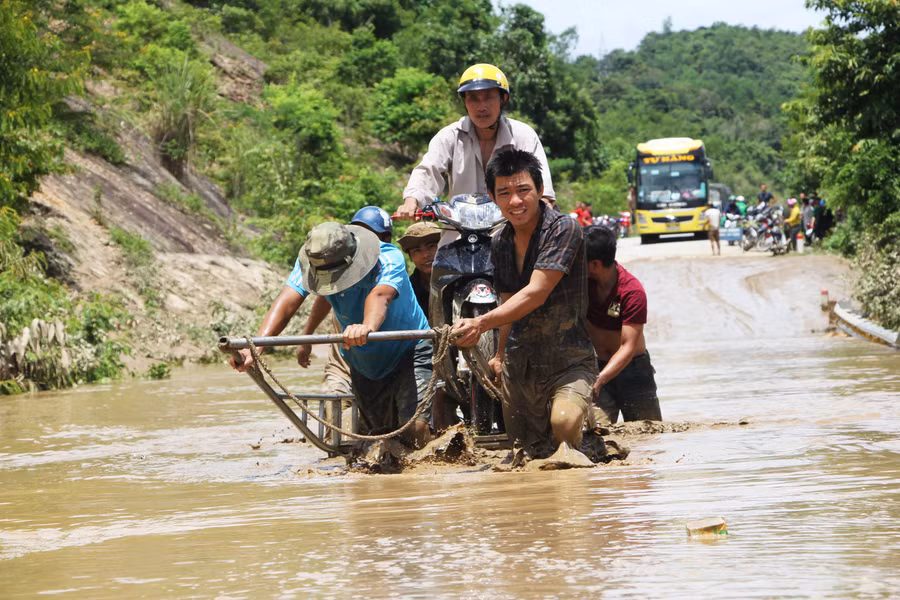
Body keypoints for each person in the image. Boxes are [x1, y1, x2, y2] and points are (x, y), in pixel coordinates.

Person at [230, 221, 432, 448]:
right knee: (378, 436)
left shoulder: (387, 257)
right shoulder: (311, 261)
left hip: (409, 348)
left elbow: (380, 296)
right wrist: (255, 346)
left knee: (415, 428)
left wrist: (366, 326)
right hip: (363, 358)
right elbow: (287, 302)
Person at [452, 149, 598, 459]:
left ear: (540, 190)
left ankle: (588, 426)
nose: (515, 201)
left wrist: (478, 323)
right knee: (524, 451)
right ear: (493, 197)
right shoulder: (500, 240)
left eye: (523, 190)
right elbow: (507, 301)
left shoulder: (563, 229)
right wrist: (500, 355)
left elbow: (535, 293)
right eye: (504, 193)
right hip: (521, 364)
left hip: (568, 359)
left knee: (563, 425)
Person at [397, 63, 555, 219]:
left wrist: (544, 203)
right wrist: (412, 200)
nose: (481, 106)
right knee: (443, 244)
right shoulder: (449, 136)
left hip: (511, 228)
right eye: (473, 98)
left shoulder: (523, 135)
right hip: (460, 232)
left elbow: (543, 188)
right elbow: (428, 170)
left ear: (503, 99)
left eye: (488, 97)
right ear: (465, 102)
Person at [584, 226, 662, 425]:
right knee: (596, 432)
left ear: (594, 264)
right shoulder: (582, 284)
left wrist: (600, 379)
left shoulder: (632, 292)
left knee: (648, 435)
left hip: (633, 370)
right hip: (595, 367)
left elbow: (628, 346)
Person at [397, 221, 455, 430]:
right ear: (410, 257)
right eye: (417, 251)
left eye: (432, 247)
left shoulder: (460, 282)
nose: (426, 255)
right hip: (422, 354)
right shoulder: (404, 288)